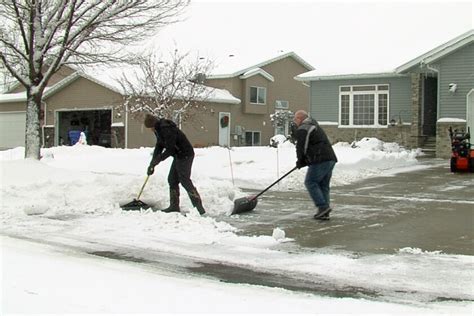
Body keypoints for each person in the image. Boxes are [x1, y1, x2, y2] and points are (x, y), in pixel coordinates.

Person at [144, 113, 206, 215]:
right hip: (178, 155)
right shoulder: (158, 130)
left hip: (186, 154)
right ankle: (174, 206)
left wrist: (158, 160)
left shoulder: (166, 129)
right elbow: (159, 146)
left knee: (184, 180)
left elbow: (170, 149)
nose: (150, 130)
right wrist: (152, 164)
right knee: (172, 179)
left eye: (150, 127)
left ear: (153, 124)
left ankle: (199, 208)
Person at [293, 110, 337, 220]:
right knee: (323, 185)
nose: (294, 121)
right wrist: (305, 160)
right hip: (330, 158)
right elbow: (314, 144)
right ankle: (324, 211)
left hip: (320, 159)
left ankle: (322, 207)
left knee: (310, 182)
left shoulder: (304, 128)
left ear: (300, 118)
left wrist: (300, 160)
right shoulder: (314, 125)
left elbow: (301, 146)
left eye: (295, 119)